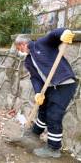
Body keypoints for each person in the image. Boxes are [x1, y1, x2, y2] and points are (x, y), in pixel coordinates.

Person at [14, 28, 76, 158]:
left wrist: (64, 32)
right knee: (42, 109)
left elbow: (53, 35)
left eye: (18, 48)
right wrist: (38, 93)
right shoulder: (28, 61)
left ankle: (53, 148)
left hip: (64, 83)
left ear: (22, 44)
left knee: (54, 115)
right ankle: (36, 132)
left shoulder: (41, 44)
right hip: (50, 86)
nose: (19, 51)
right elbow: (35, 78)